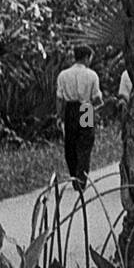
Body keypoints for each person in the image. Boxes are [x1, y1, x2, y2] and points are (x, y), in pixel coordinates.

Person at [56, 45, 103, 192]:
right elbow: (97, 98)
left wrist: (60, 115)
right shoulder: (92, 75)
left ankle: (74, 176)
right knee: (85, 143)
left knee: (70, 143)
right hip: (86, 108)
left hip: (70, 109)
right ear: (86, 57)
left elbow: (59, 98)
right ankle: (81, 178)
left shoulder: (63, 75)